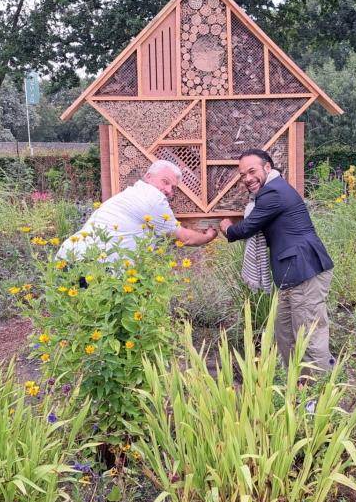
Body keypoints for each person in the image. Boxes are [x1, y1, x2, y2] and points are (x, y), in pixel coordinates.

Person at [219, 149, 334, 374]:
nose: (247, 178)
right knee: (286, 335)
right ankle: (298, 387)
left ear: (268, 168)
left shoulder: (273, 192)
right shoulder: (271, 191)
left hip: (304, 270)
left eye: (252, 171)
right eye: (242, 174)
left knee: (309, 335)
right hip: (290, 272)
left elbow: (247, 227)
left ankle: (322, 392)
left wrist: (227, 228)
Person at [59, 160, 217, 261]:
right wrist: (209, 236)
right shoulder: (153, 198)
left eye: (173, 187)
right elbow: (185, 238)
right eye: (165, 182)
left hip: (72, 257)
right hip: (89, 264)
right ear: (148, 176)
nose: (169, 190)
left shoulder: (133, 193)